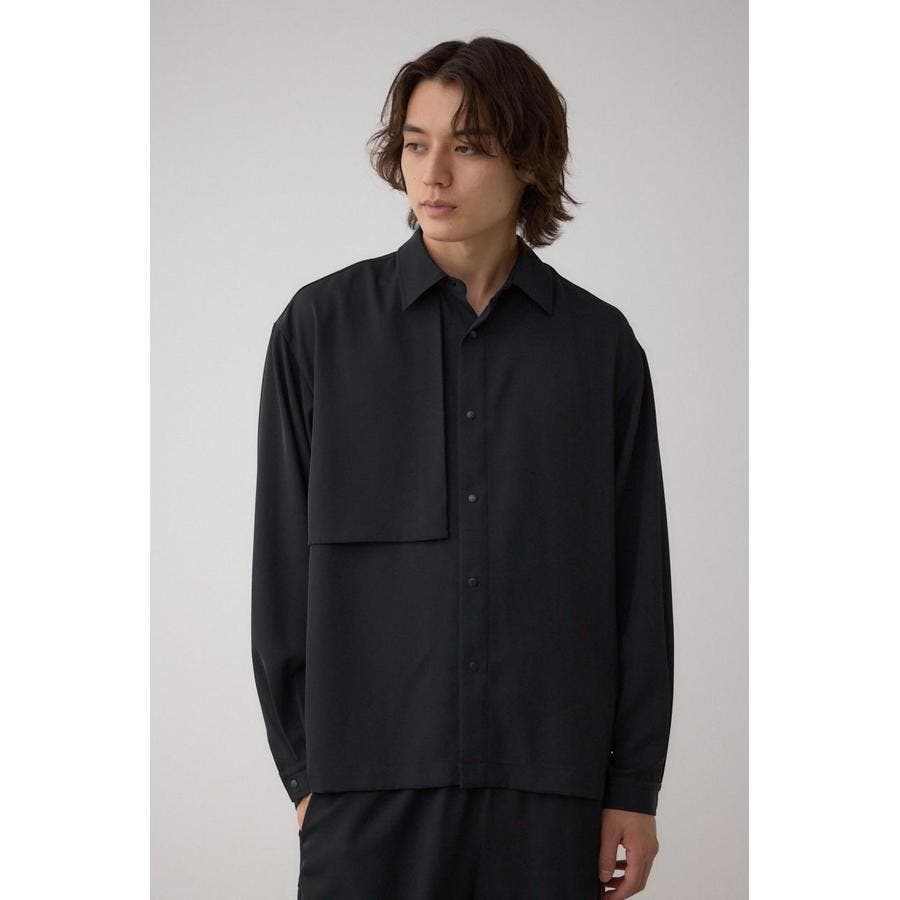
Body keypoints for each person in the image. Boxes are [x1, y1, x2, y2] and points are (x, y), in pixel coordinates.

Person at [251, 36, 674, 900]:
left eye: (469, 145)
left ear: (529, 163)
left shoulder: (599, 349)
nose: (433, 173)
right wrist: (305, 774)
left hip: (549, 794)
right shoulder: (320, 332)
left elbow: (639, 582)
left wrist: (632, 786)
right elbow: (280, 572)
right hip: (367, 795)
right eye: (417, 144)